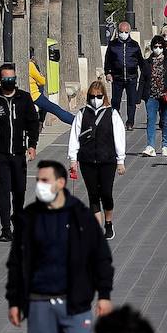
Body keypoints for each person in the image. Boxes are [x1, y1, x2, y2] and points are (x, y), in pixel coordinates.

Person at [6, 161, 115, 333]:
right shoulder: (28, 217)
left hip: (75, 303)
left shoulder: (81, 216)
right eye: (38, 180)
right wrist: (15, 301)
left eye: (44, 180)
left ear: (60, 183)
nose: (39, 185)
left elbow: (101, 257)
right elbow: (16, 262)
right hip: (39, 302)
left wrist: (104, 294)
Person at [0, 64, 41, 242]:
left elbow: (33, 123)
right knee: (4, 190)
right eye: (6, 79)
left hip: (19, 152)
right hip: (1, 153)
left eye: (12, 79)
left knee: (19, 190)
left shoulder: (24, 98)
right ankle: (6, 229)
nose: (9, 82)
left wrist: (32, 145)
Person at [65, 81, 127, 240]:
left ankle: (108, 223)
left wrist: (121, 160)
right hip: (87, 160)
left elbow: (119, 137)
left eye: (99, 96)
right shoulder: (82, 113)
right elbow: (74, 137)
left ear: (104, 96)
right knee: (93, 194)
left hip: (107, 160)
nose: (95, 99)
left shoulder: (112, 113)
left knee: (106, 193)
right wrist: (73, 159)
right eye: (92, 96)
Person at [138, 35, 167, 158]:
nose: (158, 49)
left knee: (166, 121)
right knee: (151, 120)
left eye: (160, 47)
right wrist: (138, 98)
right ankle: (150, 146)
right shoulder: (147, 63)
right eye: (155, 47)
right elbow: (143, 80)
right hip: (151, 96)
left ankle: (165, 146)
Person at [104, 21, 145, 128]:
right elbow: (107, 60)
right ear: (118, 31)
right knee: (116, 101)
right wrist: (108, 73)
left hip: (131, 77)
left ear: (129, 32)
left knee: (131, 101)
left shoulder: (134, 45)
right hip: (117, 77)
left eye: (126, 32)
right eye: (121, 32)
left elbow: (140, 61)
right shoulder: (113, 45)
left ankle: (130, 122)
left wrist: (145, 74)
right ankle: (115, 120)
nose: (123, 34)